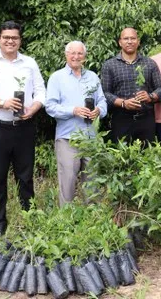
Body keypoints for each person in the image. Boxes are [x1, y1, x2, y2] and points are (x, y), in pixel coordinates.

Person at [0, 21, 46, 237]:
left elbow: (42, 92)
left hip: (25, 126)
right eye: (6, 37)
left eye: (14, 38)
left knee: (25, 176)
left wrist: (34, 107)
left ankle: (29, 218)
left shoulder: (29, 63)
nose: (10, 41)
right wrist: (3, 103)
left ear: (20, 40)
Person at [45, 41, 107, 206]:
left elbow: (102, 101)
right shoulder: (57, 78)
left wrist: (99, 110)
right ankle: (66, 221)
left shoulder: (93, 77)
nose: (76, 56)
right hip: (68, 138)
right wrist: (73, 110)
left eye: (80, 53)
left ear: (84, 57)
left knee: (92, 182)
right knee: (68, 181)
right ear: (66, 55)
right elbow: (50, 107)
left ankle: (93, 220)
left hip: (90, 138)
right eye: (72, 53)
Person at [100, 27, 161, 144]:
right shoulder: (109, 65)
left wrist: (150, 96)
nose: (129, 41)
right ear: (120, 42)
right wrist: (123, 103)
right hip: (121, 119)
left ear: (138, 41)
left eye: (133, 38)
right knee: (122, 157)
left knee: (147, 156)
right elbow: (105, 93)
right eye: (126, 39)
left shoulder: (149, 63)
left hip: (146, 119)